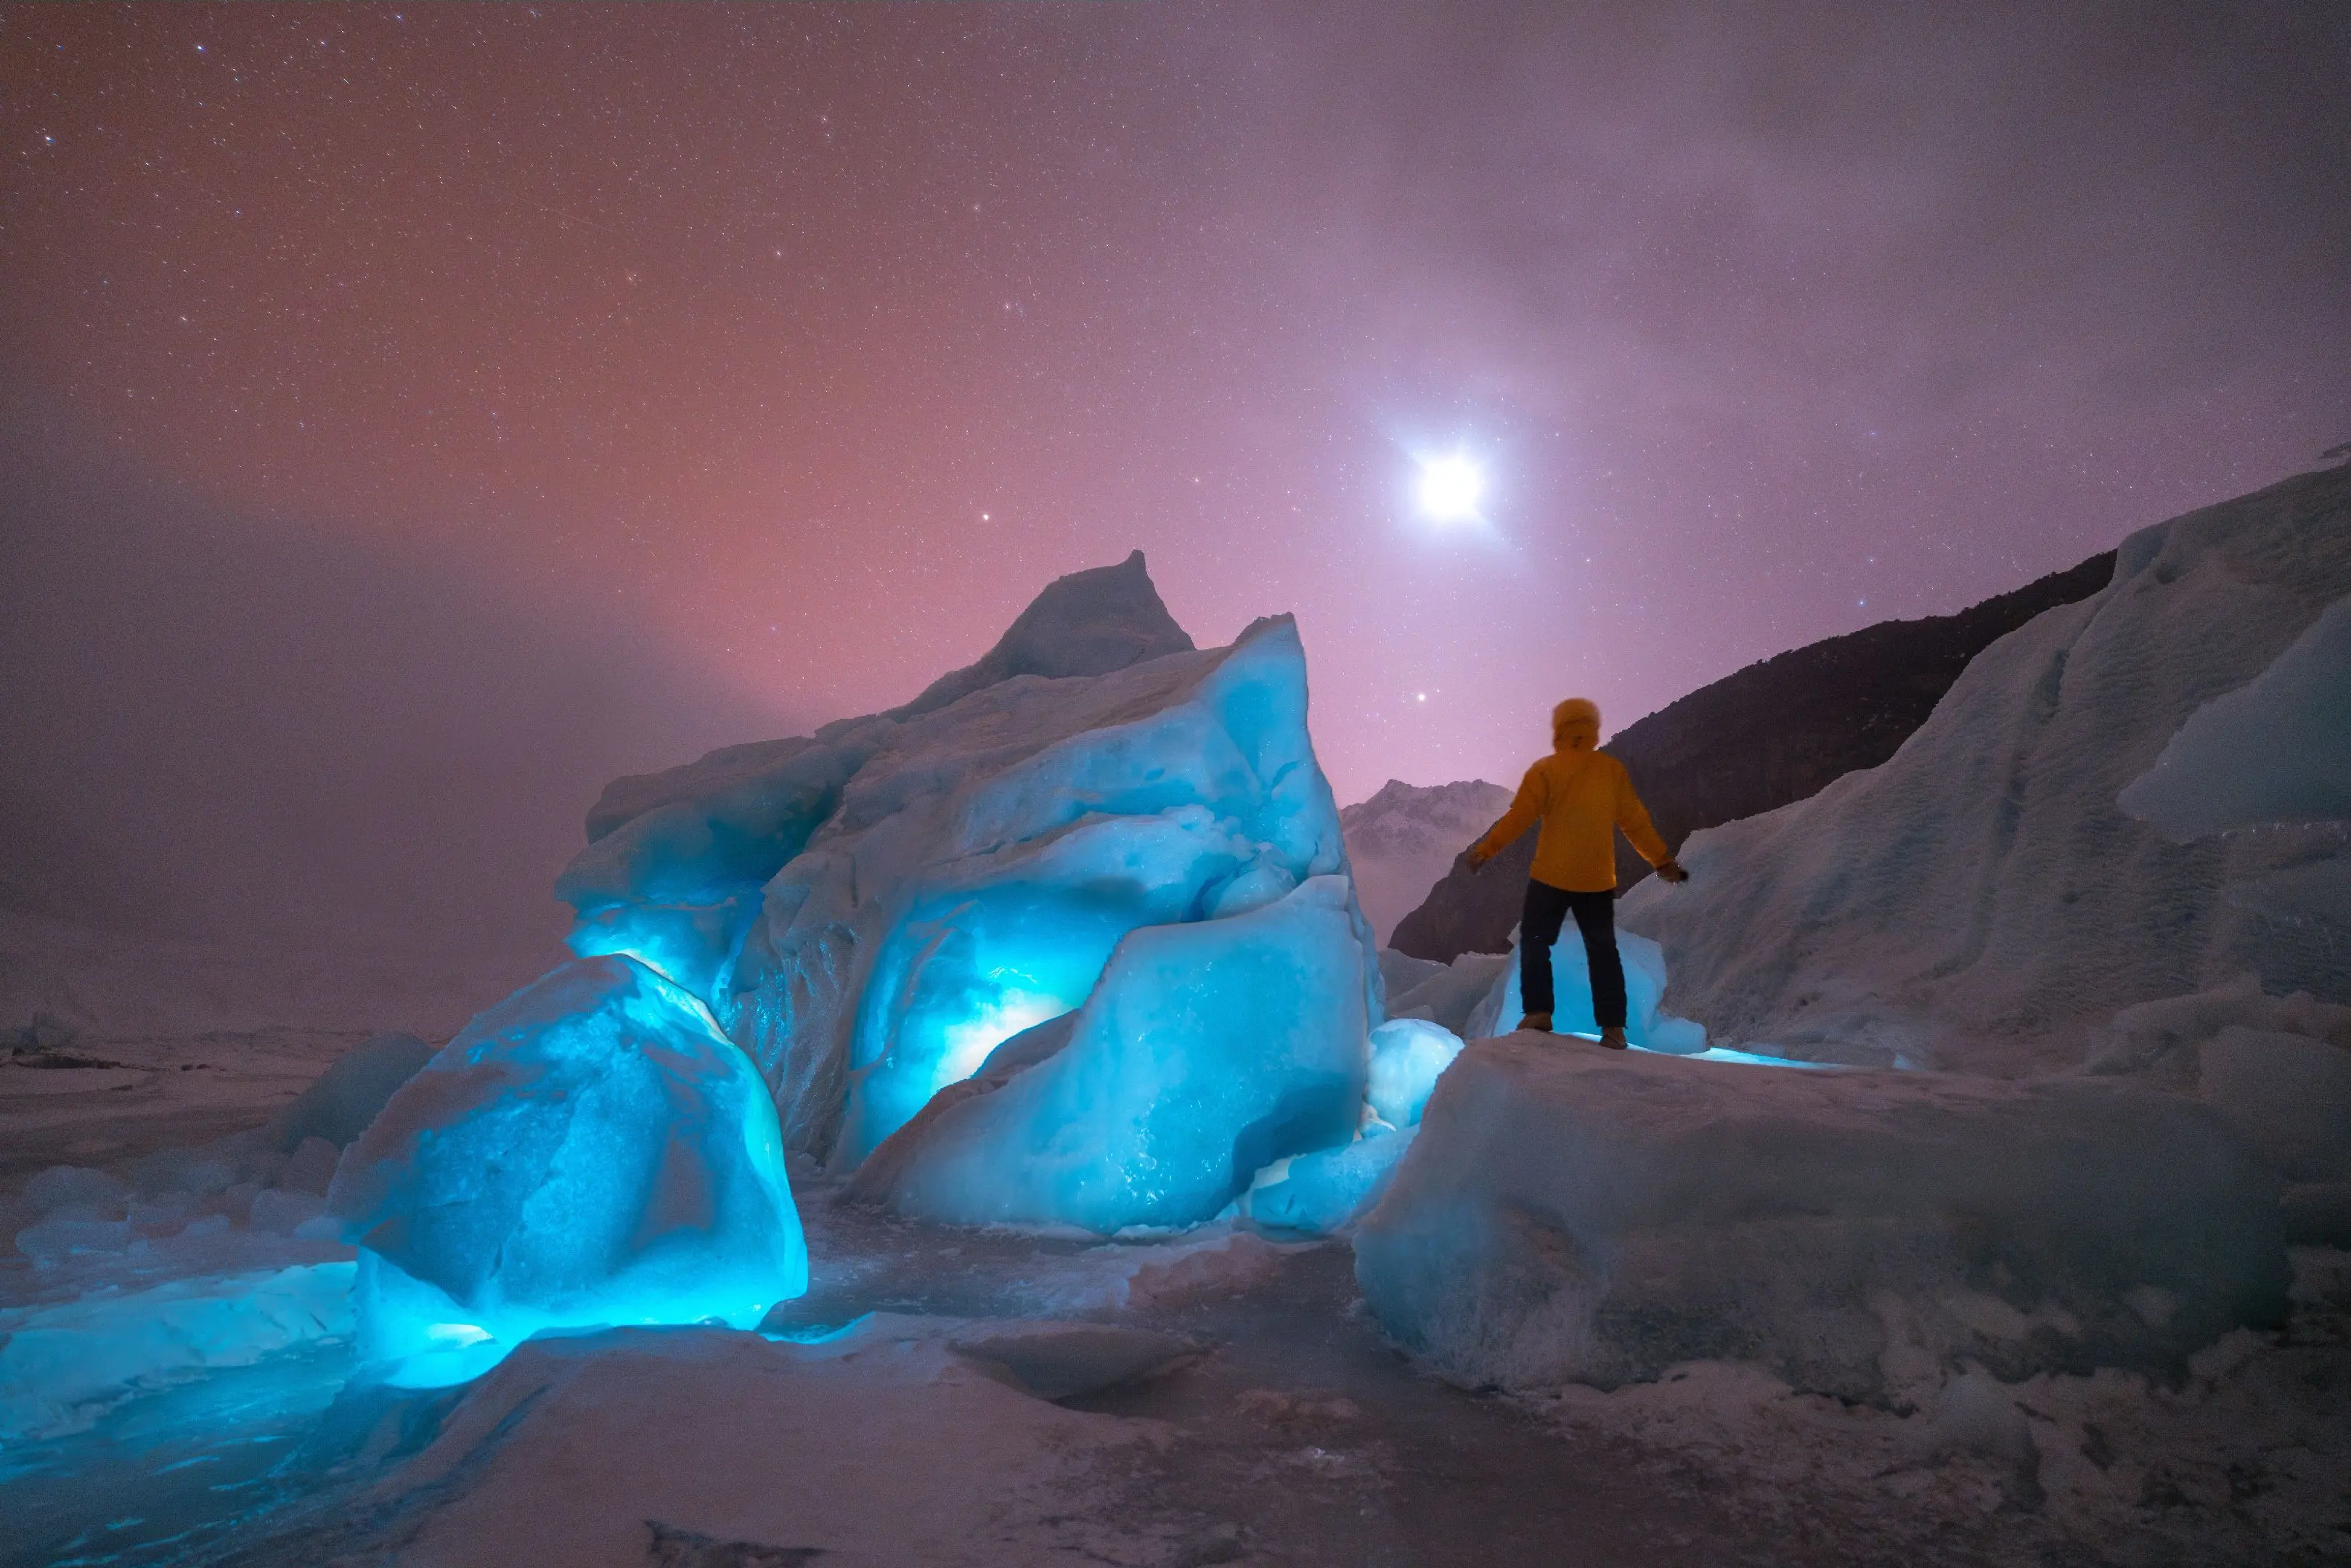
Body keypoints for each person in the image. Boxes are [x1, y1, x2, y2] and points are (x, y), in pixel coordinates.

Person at [1465, 698, 1687, 1048]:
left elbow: (1519, 818)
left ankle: (1539, 1012)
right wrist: (1662, 861)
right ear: (1592, 728)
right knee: (1603, 951)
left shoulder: (1545, 770)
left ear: (1559, 728)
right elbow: (1635, 824)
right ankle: (1613, 1029)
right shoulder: (1610, 771)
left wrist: (1485, 850)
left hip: (1550, 877)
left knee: (1537, 943)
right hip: (1596, 881)